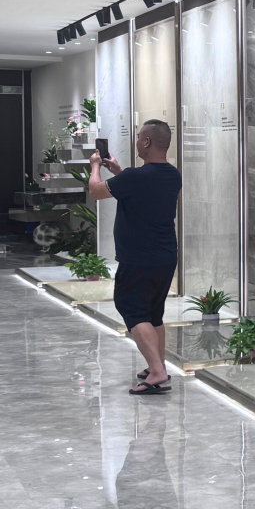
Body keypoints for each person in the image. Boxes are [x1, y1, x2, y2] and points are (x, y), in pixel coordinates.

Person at [88, 120, 183, 398]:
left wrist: (95, 166)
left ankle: (157, 372)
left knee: (131, 308)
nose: (137, 140)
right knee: (153, 313)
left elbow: (96, 190)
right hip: (165, 255)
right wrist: (118, 172)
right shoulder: (172, 175)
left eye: (139, 136)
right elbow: (141, 190)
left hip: (139, 257)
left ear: (146, 142)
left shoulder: (135, 177)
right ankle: (157, 364)